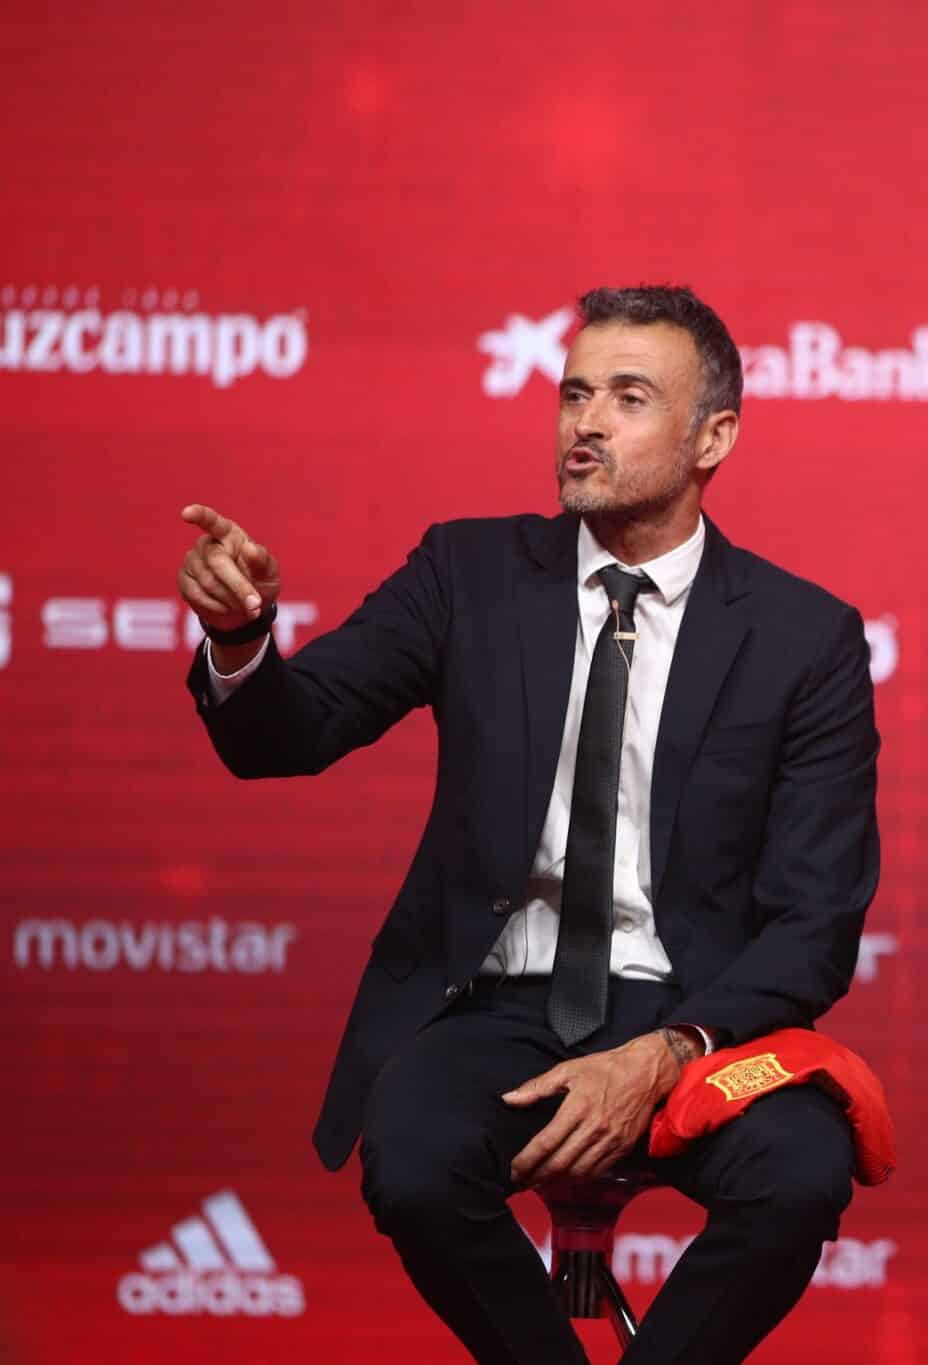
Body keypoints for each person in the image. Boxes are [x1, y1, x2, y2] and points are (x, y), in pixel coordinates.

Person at [177, 284, 881, 1364]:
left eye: (629, 398)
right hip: (496, 1005)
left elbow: (815, 924)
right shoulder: (466, 574)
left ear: (714, 437)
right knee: (411, 1161)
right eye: (573, 394)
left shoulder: (805, 637)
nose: (585, 423)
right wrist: (241, 638)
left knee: (797, 1174)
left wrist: (665, 1048)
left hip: (697, 1020)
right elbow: (290, 734)